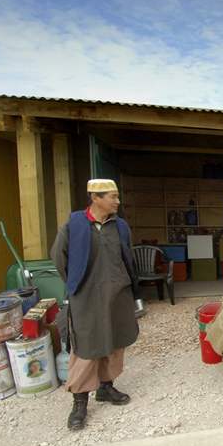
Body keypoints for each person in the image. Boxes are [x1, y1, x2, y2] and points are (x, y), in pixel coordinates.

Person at [51, 178, 139, 431]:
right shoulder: (75, 225)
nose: (118, 201)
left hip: (117, 295)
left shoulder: (119, 226)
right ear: (96, 197)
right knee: (87, 346)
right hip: (86, 297)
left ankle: (106, 387)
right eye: (113, 196)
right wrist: (77, 286)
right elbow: (59, 258)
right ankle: (79, 402)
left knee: (115, 342)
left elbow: (127, 256)